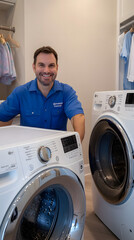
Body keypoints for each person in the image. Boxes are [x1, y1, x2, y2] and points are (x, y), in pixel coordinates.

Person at [0, 46, 85, 141]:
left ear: (57, 67)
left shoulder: (66, 92)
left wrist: (75, 146)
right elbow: (2, 117)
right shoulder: (20, 93)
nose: (46, 70)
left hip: (57, 151)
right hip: (29, 152)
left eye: (51, 65)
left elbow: (78, 117)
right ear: (34, 67)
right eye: (41, 65)